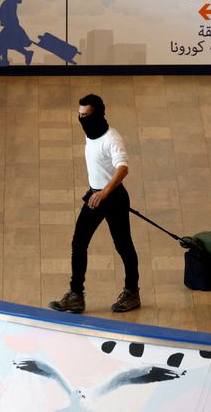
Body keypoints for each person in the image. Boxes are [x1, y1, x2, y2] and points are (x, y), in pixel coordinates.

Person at [49, 94, 141, 314]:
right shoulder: (91, 132)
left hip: (113, 198)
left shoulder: (112, 138)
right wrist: (97, 193)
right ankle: (76, 296)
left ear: (99, 115)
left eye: (86, 115)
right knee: (79, 243)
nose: (82, 119)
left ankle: (132, 292)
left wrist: (105, 193)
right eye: (79, 115)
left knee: (123, 245)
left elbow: (123, 168)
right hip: (94, 196)